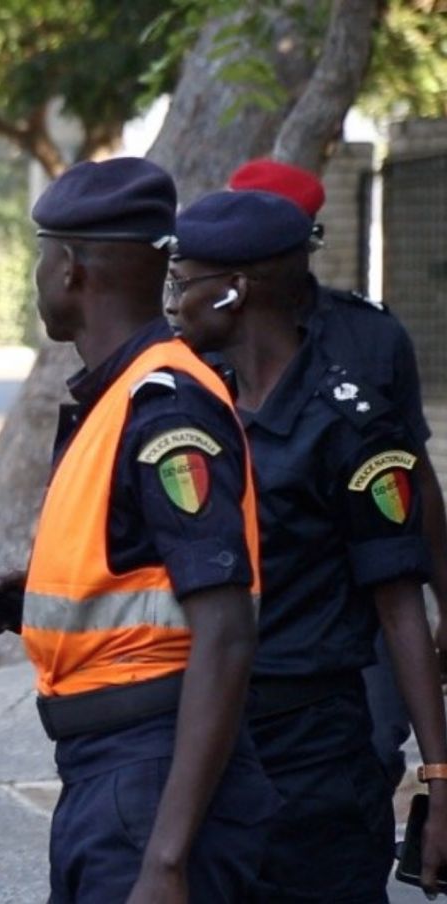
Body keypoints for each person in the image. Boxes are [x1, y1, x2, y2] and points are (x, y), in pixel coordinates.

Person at [0, 158, 278, 902]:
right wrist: (26, 602)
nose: (36, 276)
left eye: (41, 256)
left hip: (149, 777)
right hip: (109, 771)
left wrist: (166, 860)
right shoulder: (116, 397)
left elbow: (227, 628)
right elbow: (142, 581)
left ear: (70, 270)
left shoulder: (164, 409)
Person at [167, 189, 447, 900]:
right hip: (203, 742)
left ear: (234, 291)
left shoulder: (349, 425)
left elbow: (399, 608)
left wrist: (439, 777)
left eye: (184, 280)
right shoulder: (188, 409)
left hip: (314, 752)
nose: (172, 300)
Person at [231, 157, 447, 790]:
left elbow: (414, 474)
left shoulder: (372, 337)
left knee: (374, 744)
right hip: (244, 604)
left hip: (364, 592)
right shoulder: (202, 340)